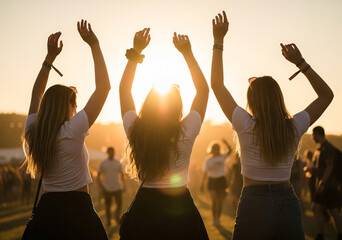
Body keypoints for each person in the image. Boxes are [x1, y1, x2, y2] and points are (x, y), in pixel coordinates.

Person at [210, 11, 334, 240]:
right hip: (288, 203)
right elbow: (326, 96)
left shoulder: (245, 123)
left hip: (253, 203)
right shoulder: (294, 126)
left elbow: (217, 85)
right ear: (278, 97)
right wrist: (300, 63)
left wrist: (218, 41)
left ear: (252, 101)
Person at [22, 20, 110, 239]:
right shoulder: (72, 130)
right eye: (75, 106)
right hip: (79, 211)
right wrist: (94, 45)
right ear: (67, 107)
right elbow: (104, 88)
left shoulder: (33, 131)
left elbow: (36, 95)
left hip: (47, 211)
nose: (76, 110)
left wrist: (49, 58)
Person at [119, 28, 209, 240]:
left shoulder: (135, 129)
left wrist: (136, 52)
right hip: (181, 207)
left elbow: (124, 90)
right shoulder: (186, 130)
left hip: (144, 209)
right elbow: (203, 90)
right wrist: (187, 53)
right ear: (178, 107)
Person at [311, 126, 342, 240]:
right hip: (322, 186)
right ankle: (320, 236)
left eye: (313, 134)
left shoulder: (327, 147)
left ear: (318, 134)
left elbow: (329, 166)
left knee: (333, 210)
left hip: (328, 186)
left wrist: (322, 183)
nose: (312, 137)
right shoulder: (319, 148)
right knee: (316, 208)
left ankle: (340, 235)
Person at [200, 139, 232, 226]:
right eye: (214, 148)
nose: (215, 150)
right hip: (212, 180)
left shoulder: (223, 156)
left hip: (221, 180)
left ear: (219, 149)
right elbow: (205, 172)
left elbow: (230, 150)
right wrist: (202, 184)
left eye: (217, 148)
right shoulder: (208, 159)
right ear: (211, 149)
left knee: (220, 202)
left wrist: (225, 142)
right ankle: (214, 219)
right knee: (214, 201)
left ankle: (218, 218)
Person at [98, 147, 125, 226]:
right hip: (107, 188)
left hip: (117, 187)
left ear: (114, 152)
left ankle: (117, 217)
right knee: (108, 205)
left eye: (112, 152)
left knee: (119, 204)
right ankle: (108, 221)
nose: (111, 153)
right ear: (107, 153)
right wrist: (101, 186)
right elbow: (98, 174)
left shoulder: (117, 162)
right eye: (110, 152)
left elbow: (122, 174)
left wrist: (123, 184)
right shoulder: (103, 163)